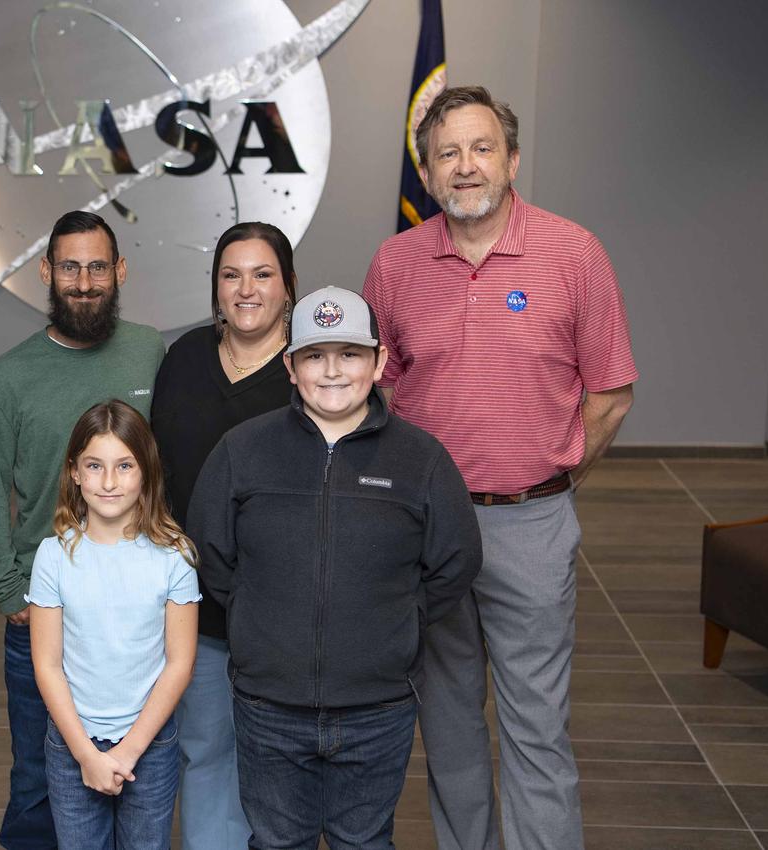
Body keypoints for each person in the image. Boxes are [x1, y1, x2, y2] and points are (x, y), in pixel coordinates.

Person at [362, 85, 638, 850]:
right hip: (428, 533)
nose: (466, 165)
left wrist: (553, 479)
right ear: (426, 174)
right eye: (447, 153)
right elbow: (374, 389)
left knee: (536, 728)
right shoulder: (395, 263)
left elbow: (611, 394)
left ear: (512, 160)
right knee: (448, 726)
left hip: (532, 524)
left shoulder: (573, 254)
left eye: (482, 148)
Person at [188, 286, 482, 850]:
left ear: (379, 362)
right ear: (290, 367)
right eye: (314, 356)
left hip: (378, 706)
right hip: (269, 703)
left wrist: (404, 617)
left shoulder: (420, 459)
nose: (332, 372)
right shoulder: (242, 450)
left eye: (349, 354)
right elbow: (209, 548)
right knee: (277, 841)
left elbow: (457, 558)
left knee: (364, 841)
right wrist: (252, 608)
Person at [0, 210, 165, 849]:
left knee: (139, 778)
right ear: (46, 273)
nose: (85, 282)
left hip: (134, 616)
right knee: (37, 780)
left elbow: (166, 469)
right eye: (71, 268)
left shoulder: (149, 352)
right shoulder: (8, 377)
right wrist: (10, 594)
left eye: (98, 267)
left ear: (121, 271)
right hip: (46, 614)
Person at [150, 220, 296, 849]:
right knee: (205, 751)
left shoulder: (311, 368)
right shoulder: (185, 359)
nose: (246, 289)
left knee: (284, 765)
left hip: (284, 612)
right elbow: (156, 473)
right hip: (197, 606)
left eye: (263, 274)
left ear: (289, 286)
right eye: (231, 275)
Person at [27, 400, 200, 849]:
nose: (108, 482)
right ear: (74, 472)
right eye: (94, 466)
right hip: (72, 743)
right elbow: (47, 665)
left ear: (146, 472)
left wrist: (129, 751)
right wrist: (87, 755)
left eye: (124, 466)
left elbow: (179, 664)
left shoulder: (175, 556)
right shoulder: (53, 557)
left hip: (150, 744)